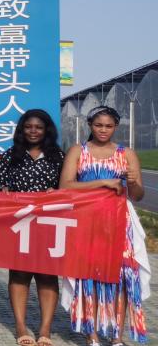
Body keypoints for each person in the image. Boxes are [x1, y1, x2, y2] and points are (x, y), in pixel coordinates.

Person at [59, 106, 149, 345]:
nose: (103, 130)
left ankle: (117, 336)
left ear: (116, 127)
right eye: (98, 125)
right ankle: (92, 333)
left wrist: (132, 183)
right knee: (88, 275)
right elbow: (65, 186)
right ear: (90, 125)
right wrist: (104, 182)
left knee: (122, 277)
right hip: (86, 220)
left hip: (119, 222)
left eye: (108, 126)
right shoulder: (78, 151)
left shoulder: (126, 153)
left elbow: (138, 195)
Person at [0, 109, 65, 346]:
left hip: (49, 224)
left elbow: (68, 188)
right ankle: (20, 326)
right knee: (19, 274)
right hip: (19, 224)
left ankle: (45, 329)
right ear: (21, 129)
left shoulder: (59, 156)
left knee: (47, 275)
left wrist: (58, 192)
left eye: (38, 127)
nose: (33, 131)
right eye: (28, 127)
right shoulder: (10, 155)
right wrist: (4, 191)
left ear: (47, 130)